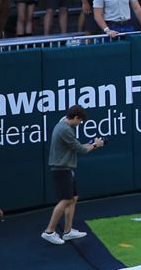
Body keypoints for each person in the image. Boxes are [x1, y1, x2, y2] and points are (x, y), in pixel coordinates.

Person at [41, 105, 105, 245]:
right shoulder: (65, 130)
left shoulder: (64, 123)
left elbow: (76, 146)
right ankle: (49, 231)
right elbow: (81, 150)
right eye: (80, 121)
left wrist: (92, 144)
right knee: (65, 199)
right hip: (61, 168)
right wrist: (96, 145)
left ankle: (68, 231)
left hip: (66, 167)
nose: (80, 124)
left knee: (73, 197)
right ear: (75, 117)